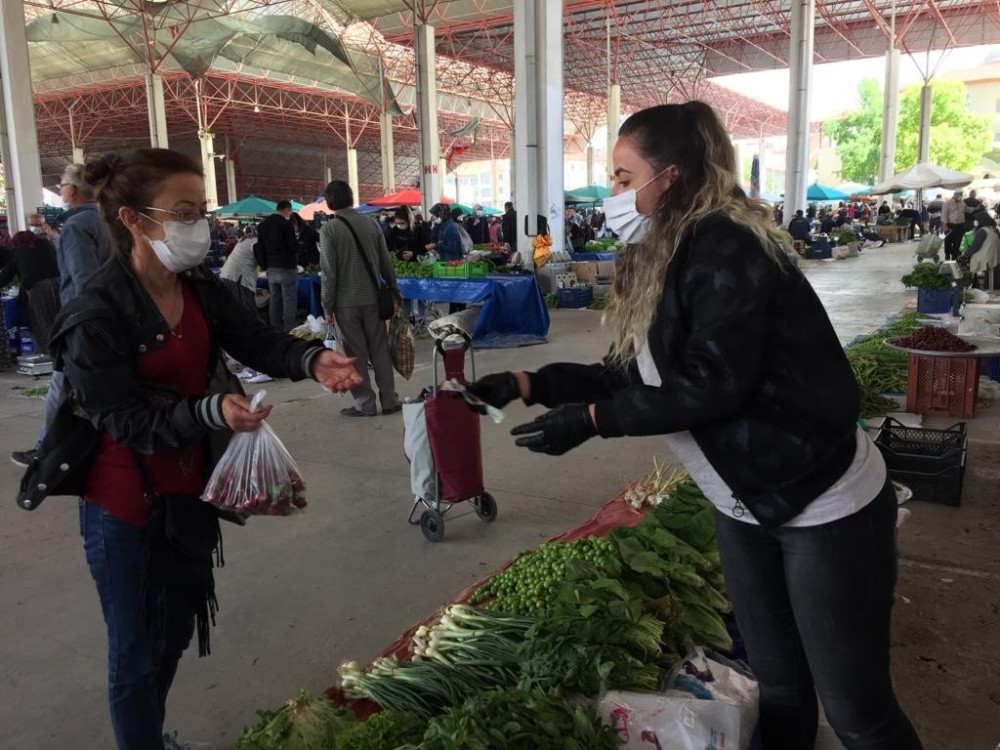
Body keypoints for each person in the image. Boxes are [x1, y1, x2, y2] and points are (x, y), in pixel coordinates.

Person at [465, 101, 922, 750]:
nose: (615, 194)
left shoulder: (727, 245)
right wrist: (529, 385)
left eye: (625, 179)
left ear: (671, 175)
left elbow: (711, 385)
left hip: (821, 502)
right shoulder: (660, 255)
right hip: (742, 504)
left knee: (857, 711)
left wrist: (595, 421)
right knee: (779, 684)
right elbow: (634, 373)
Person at [39, 148, 361, 750]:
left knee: (176, 630)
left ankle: (150, 737)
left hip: (189, 489)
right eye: (184, 213)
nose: (200, 227)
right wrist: (211, 410)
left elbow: (258, 339)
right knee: (134, 649)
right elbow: (124, 421)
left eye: (203, 212)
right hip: (124, 503)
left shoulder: (199, 289)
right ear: (134, 219)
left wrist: (311, 358)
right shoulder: (96, 312)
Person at [11, 164, 114, 468]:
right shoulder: (107, 219)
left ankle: (46, 450)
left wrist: (82, 324)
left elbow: (84, 280)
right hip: (111, 315)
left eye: (61, 182)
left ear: (72, 190)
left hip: (86, 320)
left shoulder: (77, 226)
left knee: (61, 386)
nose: (59, 187)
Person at [319, 180, 401, 418]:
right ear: (352, 197)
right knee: (380, 350)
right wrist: (395, 289)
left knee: (356, 355)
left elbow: (329, 273)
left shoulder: (329, 230)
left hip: (346, 304)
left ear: (330, 202)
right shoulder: (371, 224)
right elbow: (386, 262)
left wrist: (327, 305)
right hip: (375, 300)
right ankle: (389, 401)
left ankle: (365, 404)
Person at [0, 230, 61, 354]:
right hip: (59, 283)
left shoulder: (18, 253)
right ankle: (66, 351)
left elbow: (6, 276)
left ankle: (49, 355)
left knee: (41, 323)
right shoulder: (46, 246)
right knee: (60, 319)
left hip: (38, 288)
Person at [255, 199, 299, 332]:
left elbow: (259, 248)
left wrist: (264, 266)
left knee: (274, 299)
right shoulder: (286, 224)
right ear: (287, 210)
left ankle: (275, 328)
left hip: (271, 267)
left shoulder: (263, 225)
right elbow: (293, 246)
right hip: (286, 267)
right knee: (289, 298)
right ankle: (289, 329)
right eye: (290, 212)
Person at [942, 190, 967, 261]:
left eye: (961, 194)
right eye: (960, 194)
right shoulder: (947, 203)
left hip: (961, 225)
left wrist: (974, 209)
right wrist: (944, 226)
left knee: (957, 242)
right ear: (955, 194)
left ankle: (954, 258)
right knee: (948, 242)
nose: (961, 196)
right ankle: (947, 256)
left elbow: (966, 209)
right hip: (950, 225)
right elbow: (944, 215)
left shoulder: (962, 202)